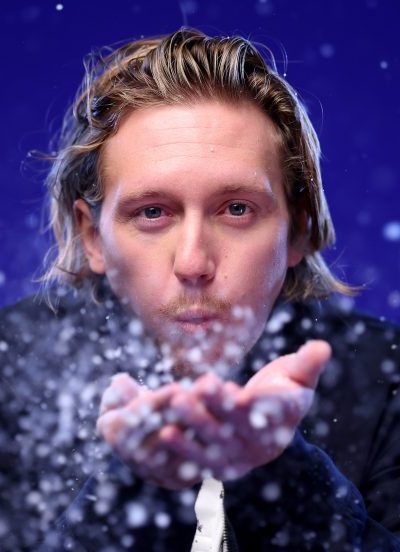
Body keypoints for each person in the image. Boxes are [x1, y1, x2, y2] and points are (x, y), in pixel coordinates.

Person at [0, 28, 399, 551]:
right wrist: (132, 491)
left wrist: (283, 478)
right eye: (152, 212)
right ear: (92, 236)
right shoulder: (11, 375)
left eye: (236, 209)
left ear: (298, 230)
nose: (192, 263)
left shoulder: (387, 381)